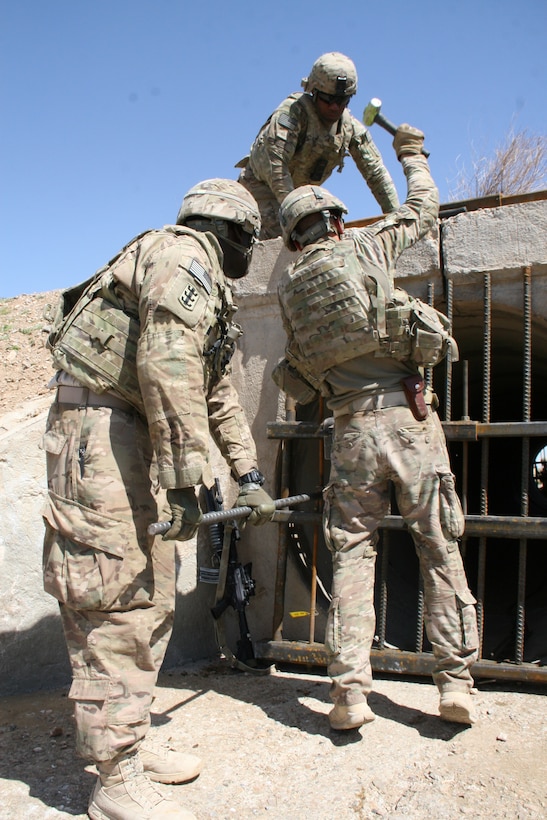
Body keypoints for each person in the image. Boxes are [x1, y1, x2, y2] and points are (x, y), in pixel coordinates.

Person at [41, 178, 276, 820]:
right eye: (251, 240)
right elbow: (166, 366)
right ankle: (114, 782)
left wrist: (249, 476)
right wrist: (183, 479)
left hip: (136, 436)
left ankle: (131, 747)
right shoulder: (185, 255)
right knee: (116, 598)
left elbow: (217, 391)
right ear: (232, 232)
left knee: (153, 593)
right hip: (103, 434)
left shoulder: (207, 291)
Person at [274, 125, 479, 731]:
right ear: (336, 219)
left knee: (350, 559)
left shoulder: (288, 292)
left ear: (291, 237)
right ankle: (454, 684)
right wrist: (411, 155)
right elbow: (421, 210)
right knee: (440, 549)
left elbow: (302, 374)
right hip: (409, 421)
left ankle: (348, 697)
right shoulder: (362, 249)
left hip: (350, 433)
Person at [236, 51, 399, 239]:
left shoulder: (349, 128)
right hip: (259, 193)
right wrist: (299, 215)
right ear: (313, 91)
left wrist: (396, 217)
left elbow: (376, 173)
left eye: (342, 101)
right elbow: (277, 169)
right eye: (328, 100)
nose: (334, 107)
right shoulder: (292, 115)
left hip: (299, 198)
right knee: (280, 237)